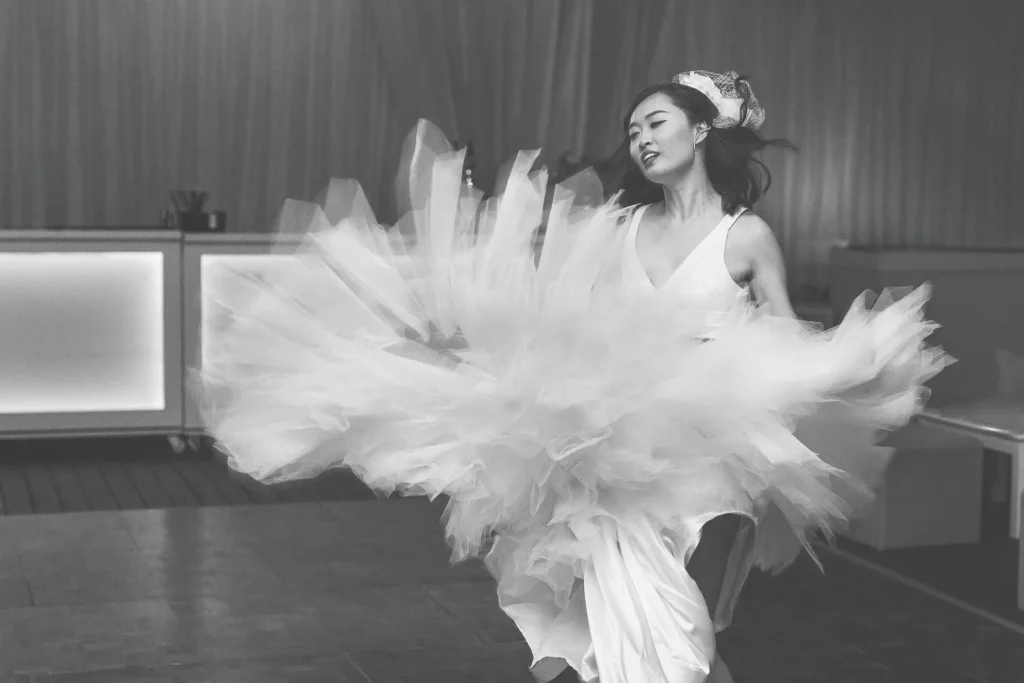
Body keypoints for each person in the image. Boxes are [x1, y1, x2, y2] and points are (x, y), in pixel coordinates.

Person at [198, 70, 950, 683]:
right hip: (619, 458)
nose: (641, 137)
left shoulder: (745, 235)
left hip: (710, 456)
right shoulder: (622, 230)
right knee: (636, 640)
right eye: (633, 129)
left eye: (655, 121)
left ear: (701, 130)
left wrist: (849, 363)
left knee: (681, 634)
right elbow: (565, 326)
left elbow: (784, 335)